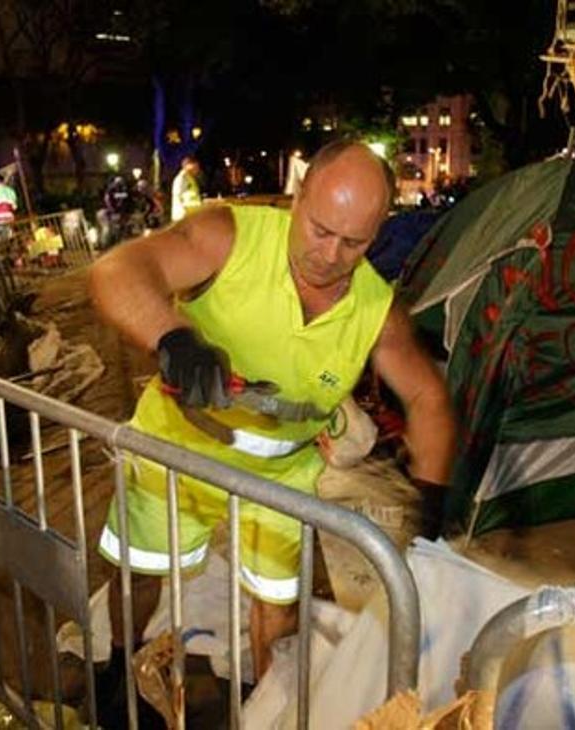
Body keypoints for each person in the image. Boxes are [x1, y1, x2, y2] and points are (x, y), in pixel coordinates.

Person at [84, 140, 456, 690]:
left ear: (378, 233)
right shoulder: (229, 236)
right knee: (139, 573)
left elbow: (428, 400)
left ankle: (263, 704)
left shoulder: (377, 310)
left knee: (279, 607)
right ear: (298, 195)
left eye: (353, 242)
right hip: (176, 450)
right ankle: (115, 672)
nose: (330, 255)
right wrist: (175, 340)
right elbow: (117, 270)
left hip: (281, 476)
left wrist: (430, 509)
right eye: (320, 229)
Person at [170, 155, 202, 222]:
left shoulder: (191, 179)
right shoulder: (181, 179)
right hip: (183, 217)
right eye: (196, 167)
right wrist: (182, 215)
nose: (197, 170)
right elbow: (177, 197)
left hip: (192, 216)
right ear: (188, 165)